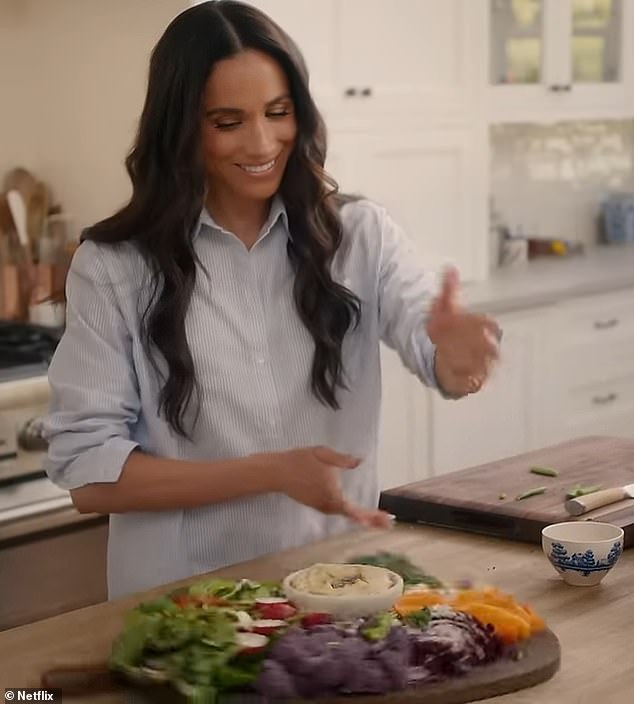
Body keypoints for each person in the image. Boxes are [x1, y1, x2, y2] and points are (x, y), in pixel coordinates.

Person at [42, 0, 500, 599]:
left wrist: (457, 354)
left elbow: (434, 346)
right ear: (180, 128)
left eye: (278, 112)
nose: (262, 142)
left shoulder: (359, 235)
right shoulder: (115, 267)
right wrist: (271, 473)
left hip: (338, 593)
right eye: (227, 122)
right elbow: (89, 476)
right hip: (184, 608)